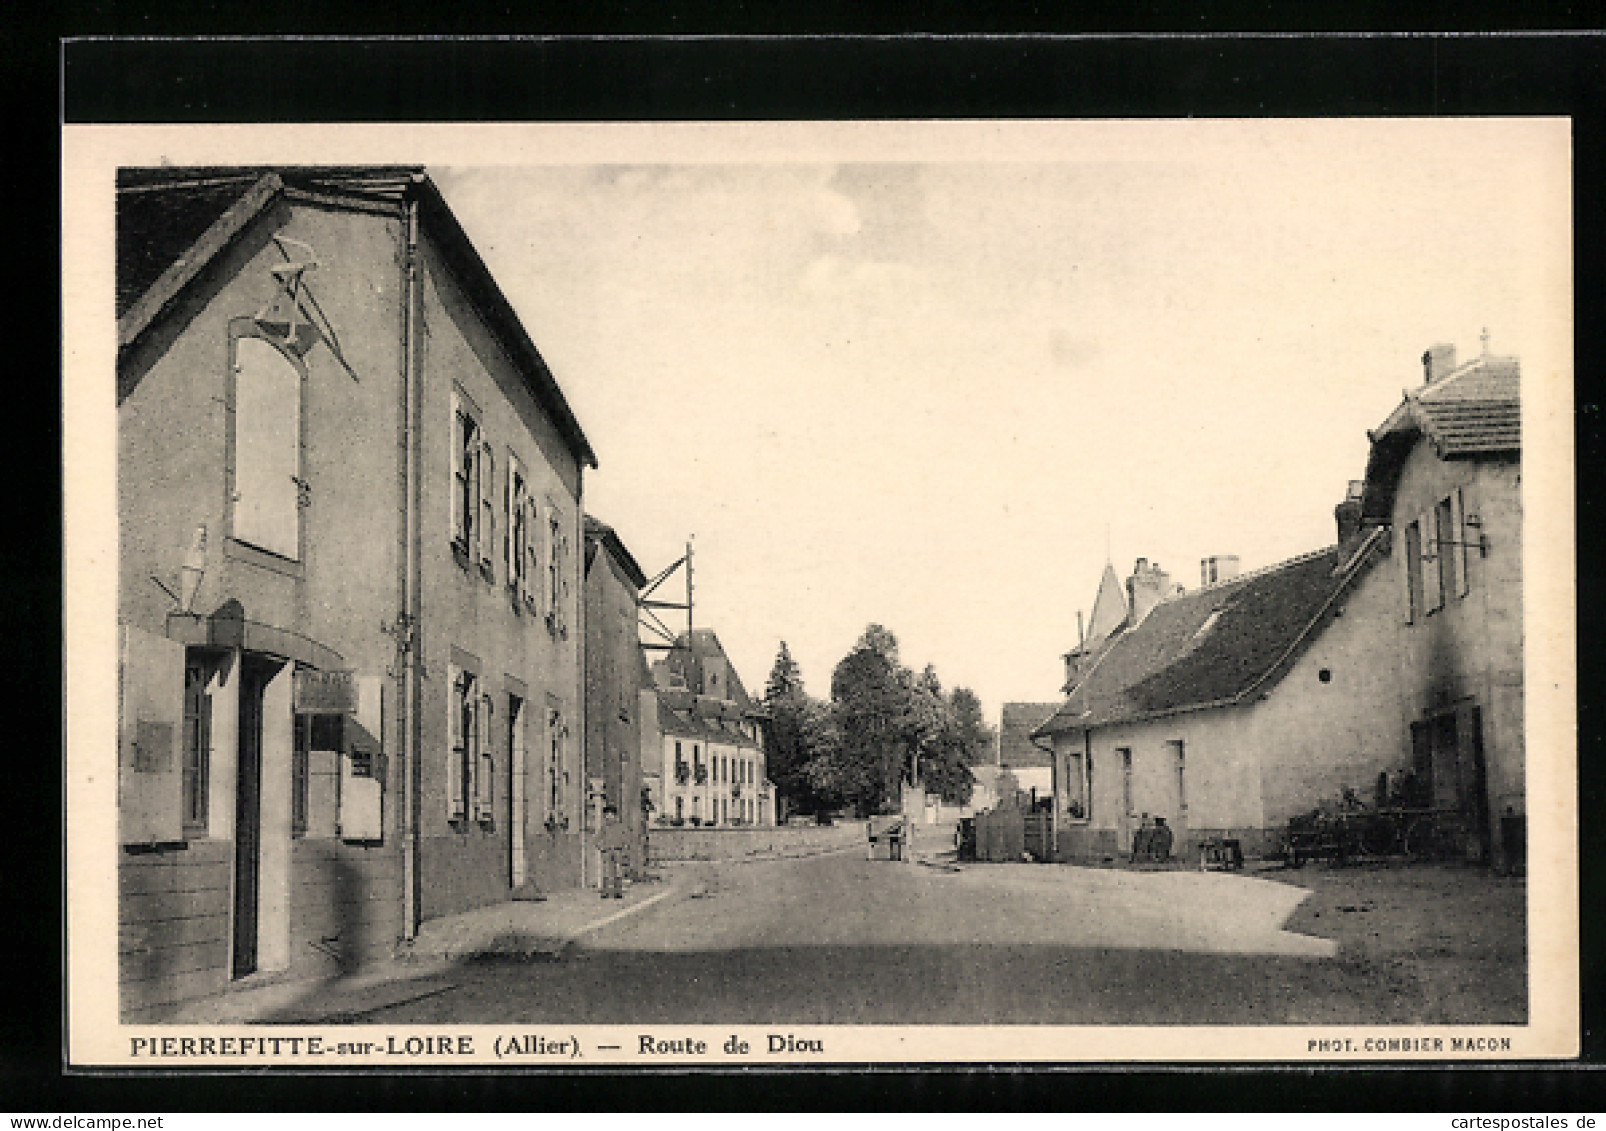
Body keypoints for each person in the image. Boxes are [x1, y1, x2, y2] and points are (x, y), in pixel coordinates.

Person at [594, 803, 629, 899]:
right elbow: (596, 839)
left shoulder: (620, 827)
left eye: (611, 814)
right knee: (606, 872)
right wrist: (602, 848)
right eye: (607, 815)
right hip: (607, 851)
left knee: (618, 871)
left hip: (618, 851)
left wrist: (624, 850)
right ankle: (605, 892)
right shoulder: (604, 828)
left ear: (615, 816)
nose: (609, 817)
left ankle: (618, 892)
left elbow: (626, 839)